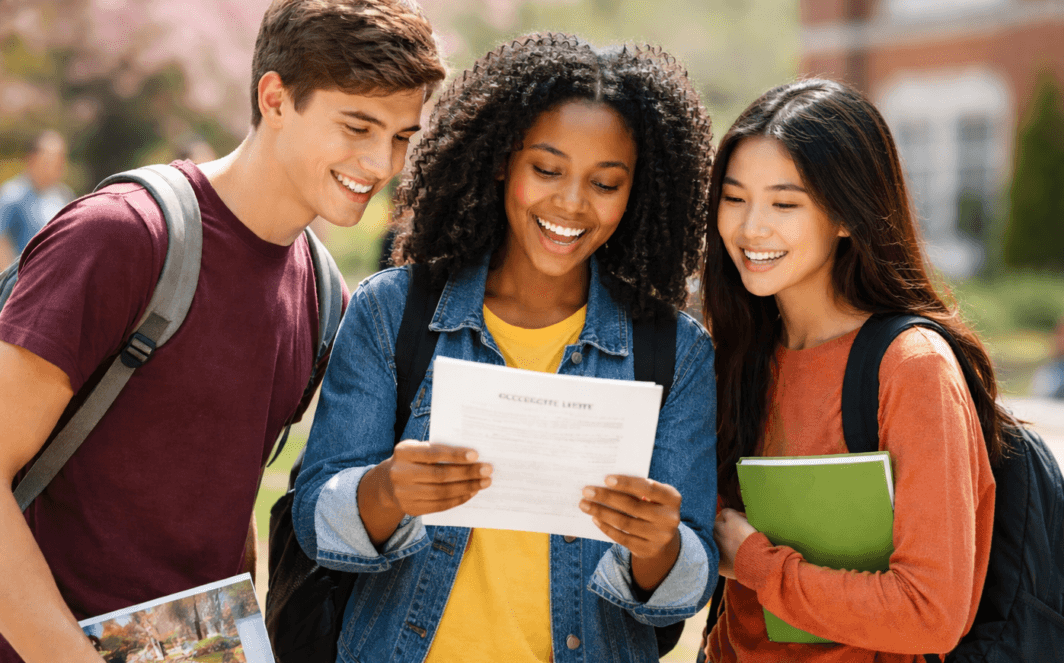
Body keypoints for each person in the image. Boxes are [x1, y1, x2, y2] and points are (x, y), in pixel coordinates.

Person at [0, 1, 444, 661]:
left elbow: (218, 501)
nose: (381, 163)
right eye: (358, 126)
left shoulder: (325, 298)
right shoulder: (125, 236)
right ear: (275, 98)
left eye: (402, 137)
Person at [292, 33, 717, 663]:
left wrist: (659, 545)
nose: (571, 203)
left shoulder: (676, 353)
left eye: (605, 183)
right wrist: (387, 491)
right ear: (501, 161)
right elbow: (314, 520)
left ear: (637, 193)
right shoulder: (393, 311)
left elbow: (686, 585)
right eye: (546, 170)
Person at [702, 79, 1013, 662]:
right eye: (735, 197)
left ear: (847, 215)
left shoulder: (913, 368)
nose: (751, 229)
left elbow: (929, 612)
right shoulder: (734, 355)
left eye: (785, 203)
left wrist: (755, 565)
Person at [0, 130, 73, 266]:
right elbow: (2, 244)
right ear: (32, 158)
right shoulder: (12, 195)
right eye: (52, 158)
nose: (59, 164)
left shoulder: (64, 195)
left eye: (61, 157)